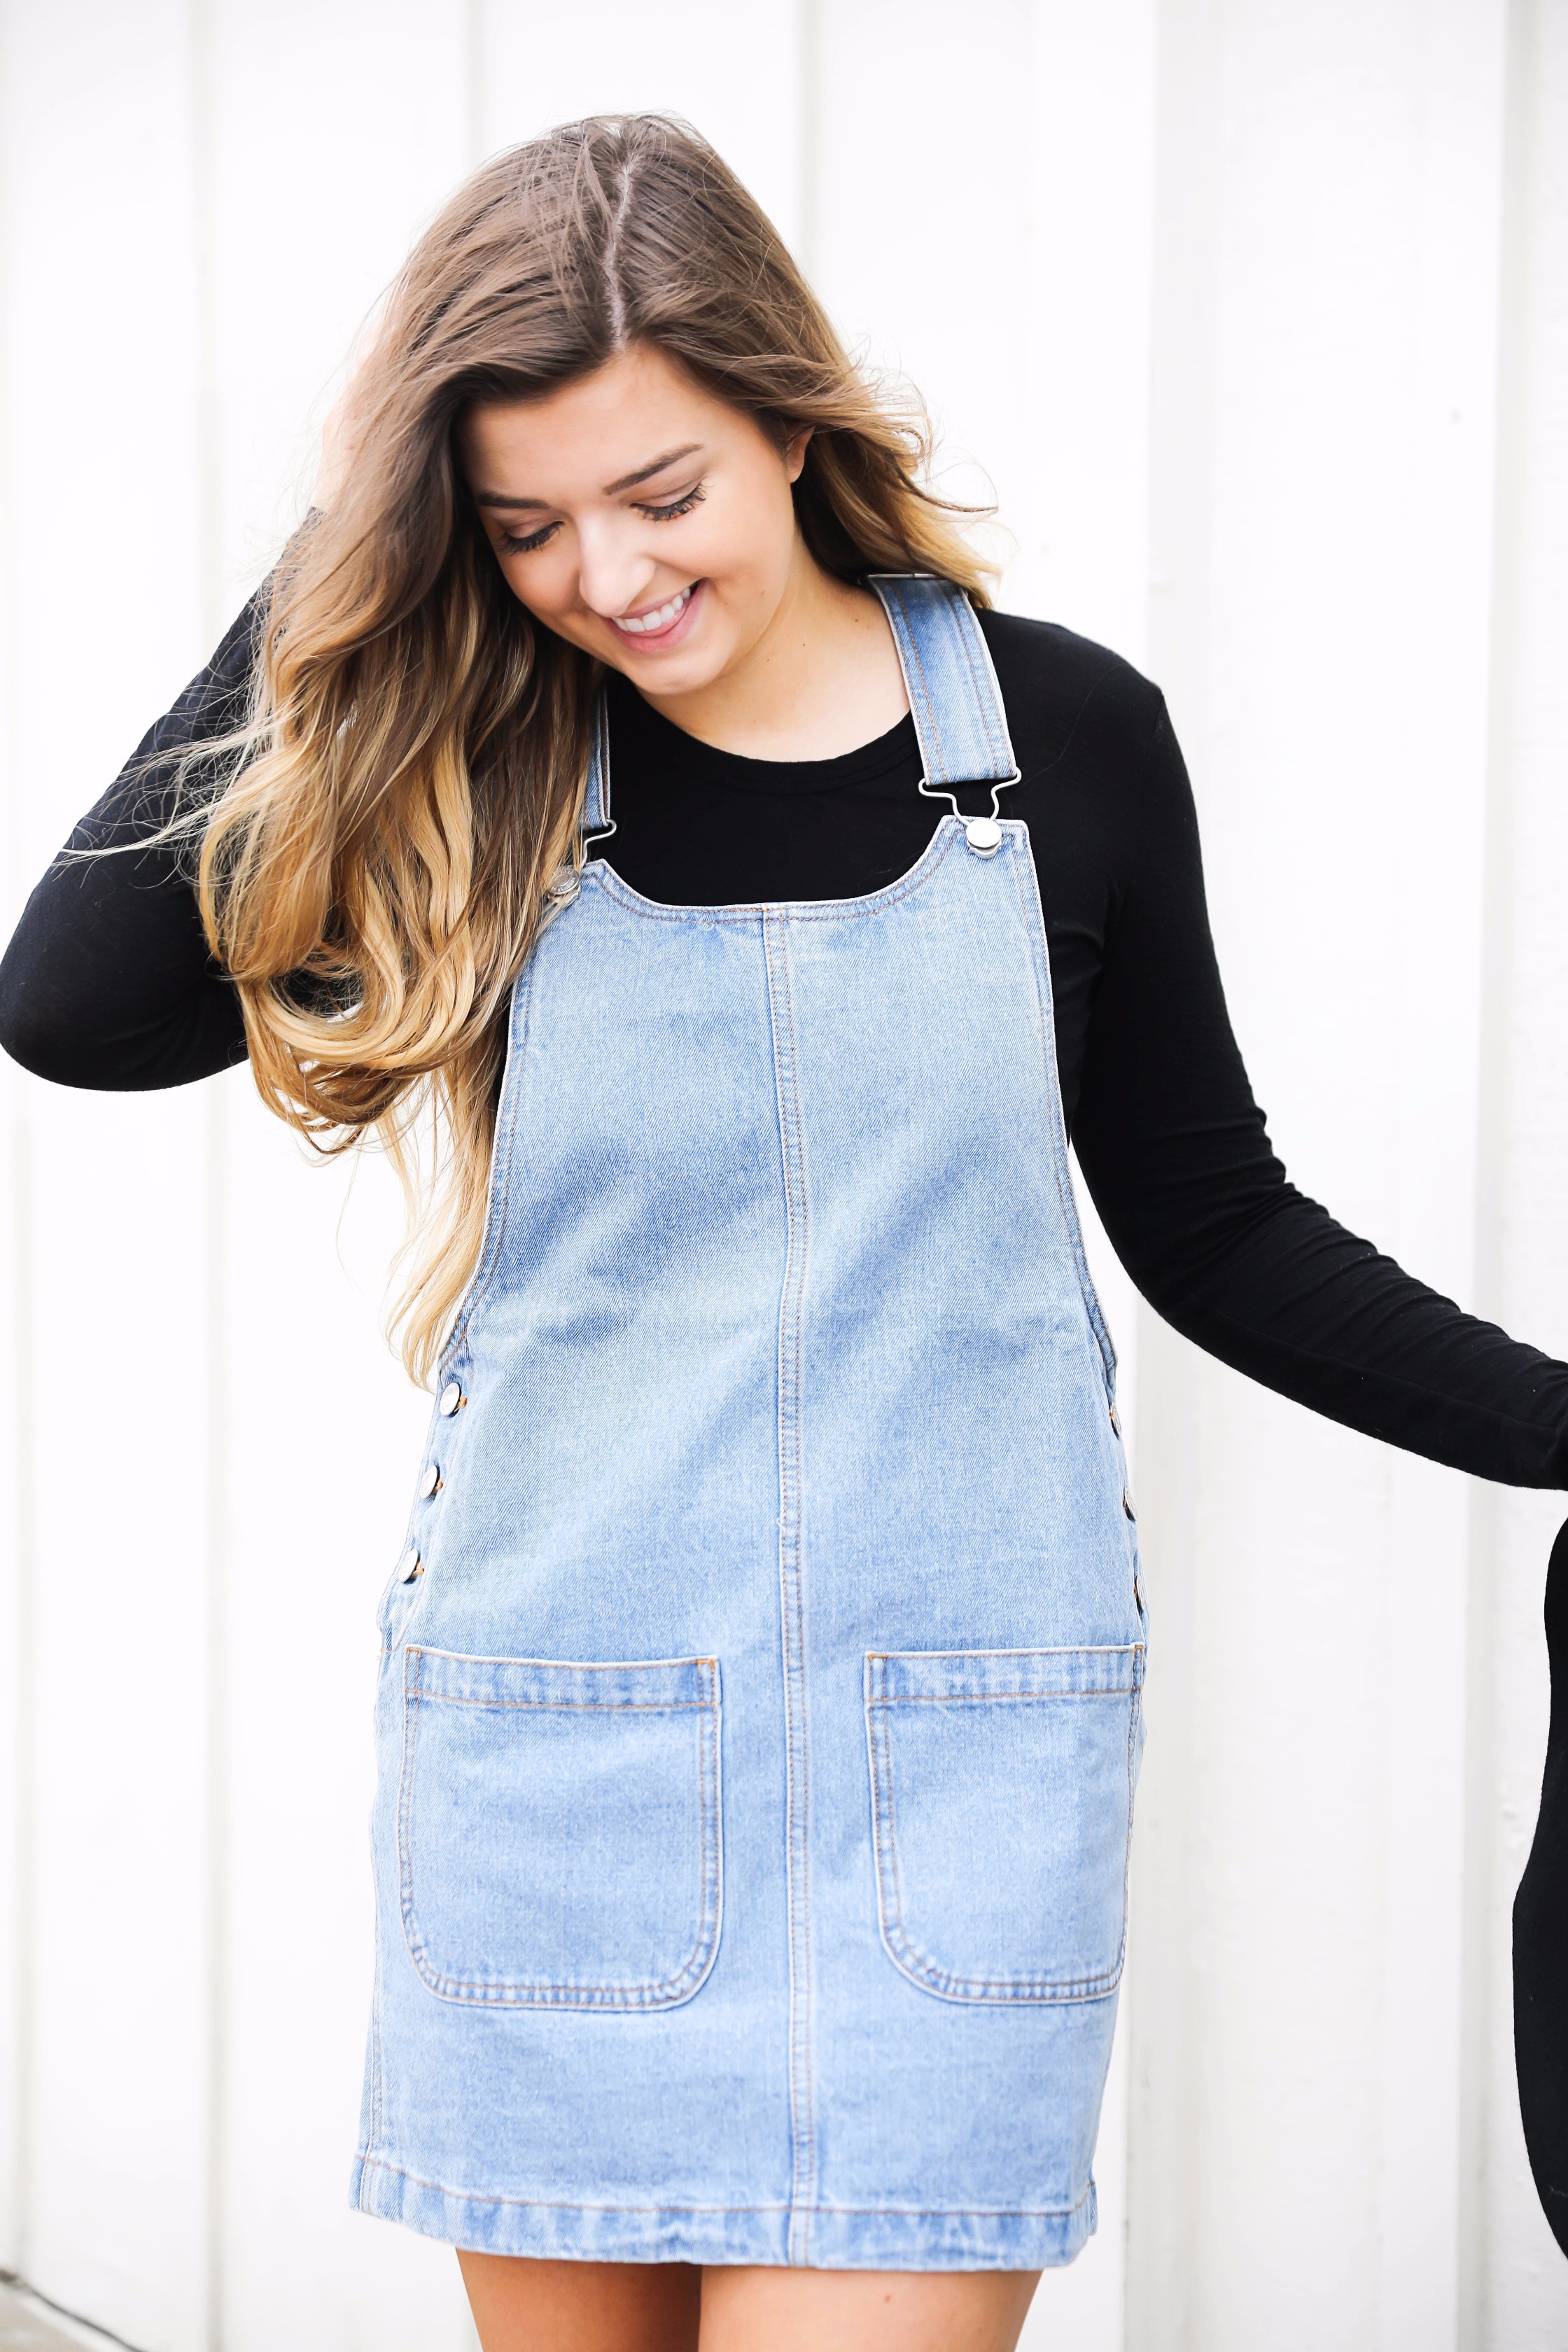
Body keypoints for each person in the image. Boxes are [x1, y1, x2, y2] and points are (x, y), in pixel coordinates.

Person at [2, 113, 1565, 2352]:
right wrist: (361, 559)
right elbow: (68, 1007)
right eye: (527, 522)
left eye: (665, 495)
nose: (609, 581)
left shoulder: (1070, 742)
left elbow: (1216, 1228)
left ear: (791, 424)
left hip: (960, 1786)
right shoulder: (494, 762)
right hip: (564, 1763)